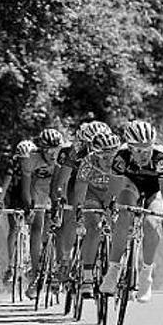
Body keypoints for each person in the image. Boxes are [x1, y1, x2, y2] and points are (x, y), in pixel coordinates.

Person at [99, 120, 163, 303]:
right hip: (130, 185)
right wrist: (111, 209)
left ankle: (146, 276)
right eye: (139, 150)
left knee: (151, 224)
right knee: (124, 216)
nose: (144, 154)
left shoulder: (161, 158)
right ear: (130, 148)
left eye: (147, 149)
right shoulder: (121, 157)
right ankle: (113, 271)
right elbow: (113, 191)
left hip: (154, 189)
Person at [52, 121, 112, 284]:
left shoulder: (110, 152)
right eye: (92, 144)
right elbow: (63, 181)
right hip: (77, 185)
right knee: (72, 214)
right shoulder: (75, 152)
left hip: (101, 185)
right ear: (85, 143)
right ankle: (65, 260)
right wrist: (61, 199)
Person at [69, 131, 123, 296]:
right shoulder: (88, 162)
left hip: (114, 194)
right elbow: (80, 188)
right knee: (94, 227)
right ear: (96, 155)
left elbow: (127, 187)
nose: (109, 162)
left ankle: (117, 274)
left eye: (111, 157)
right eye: (104, 158)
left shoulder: (123, 161)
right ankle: (87, 277)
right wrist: (79, 209)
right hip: (92, 195)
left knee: (120, 230)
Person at [20, 128, 66, 299]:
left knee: (61, 225)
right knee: (37, 226)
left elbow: (60, 185)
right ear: (41, 149)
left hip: (57, 189)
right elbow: (26, 187)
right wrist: (29, 206)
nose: (53, 155)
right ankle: (35, 275)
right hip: (38, 189)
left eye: (56, 150)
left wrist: (57, 205)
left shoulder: (64, 157)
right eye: (48, 151)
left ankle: (60, 270)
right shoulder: (30, 159)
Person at [0, 139, 36, 281]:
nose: (24, 162)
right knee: (13, 229)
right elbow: (5, 183)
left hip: (33, 197)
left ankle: (30, 260)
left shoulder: (38, 165)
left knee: (34, 228)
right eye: (21, 159)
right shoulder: (13, 164)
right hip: (15, 198)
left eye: (27, 159)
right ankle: (11, 266)